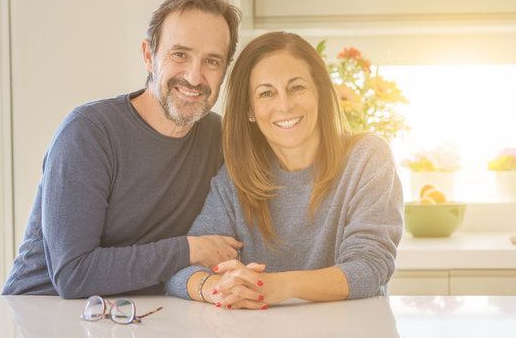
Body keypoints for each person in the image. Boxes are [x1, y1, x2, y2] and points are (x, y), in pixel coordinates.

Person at [2, 0, 244, 299]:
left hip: (140, 314)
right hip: (41, 313)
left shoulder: (218, 137)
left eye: (212, 61)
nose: (194, 77)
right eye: (180, 54)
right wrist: (190, 249)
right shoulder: (89, 133)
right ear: (148, 55)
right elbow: (74, 274)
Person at [165, 31, 403, 309]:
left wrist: (277, 286)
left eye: (297, 87)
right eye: (266, 93)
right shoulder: (236, 180)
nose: (284, 105)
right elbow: (182, 269)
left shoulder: (366, 157)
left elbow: (370, 268)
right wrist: (218, 287)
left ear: (319, 92)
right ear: (250, 110)